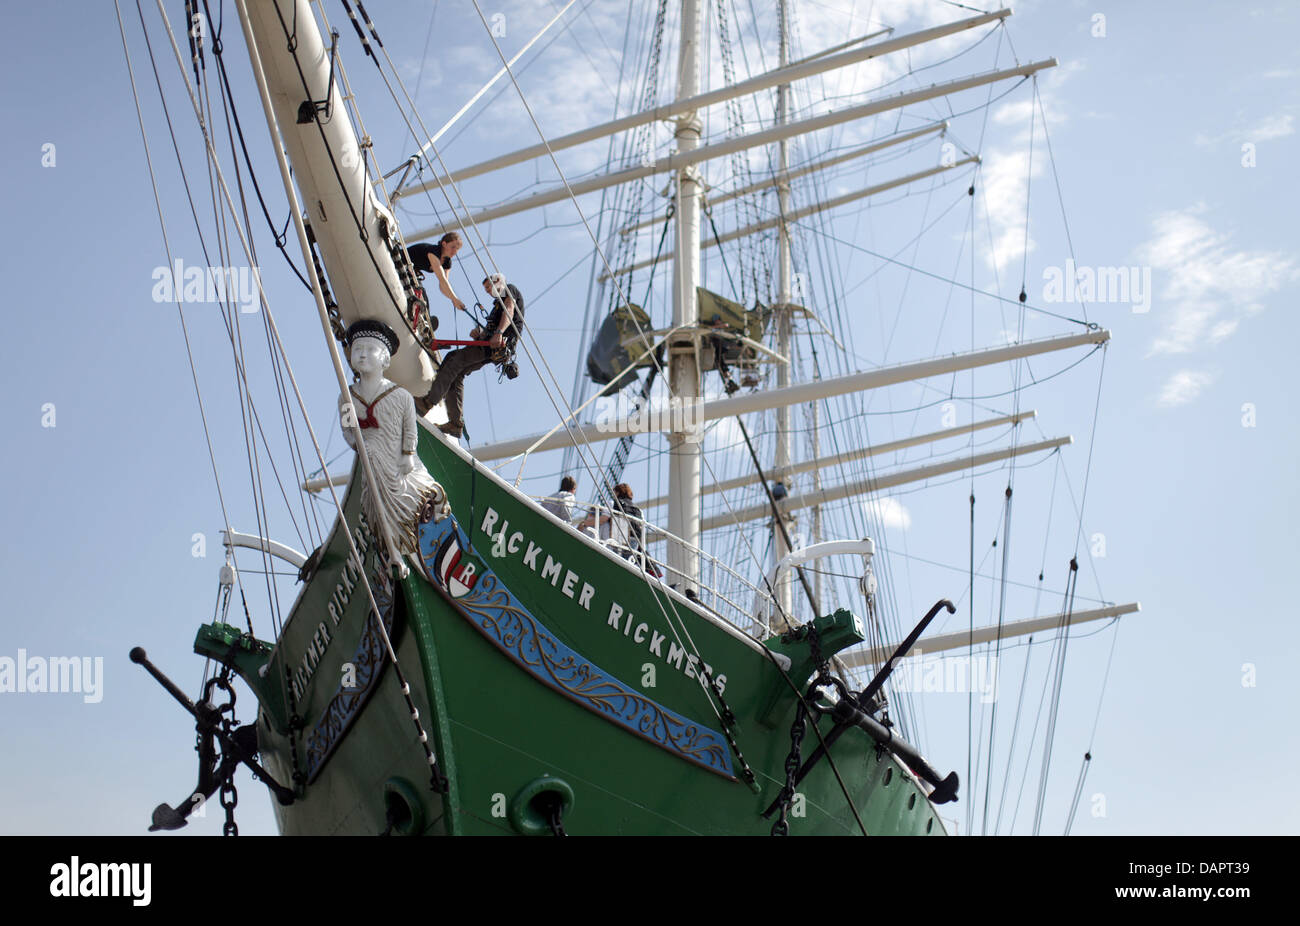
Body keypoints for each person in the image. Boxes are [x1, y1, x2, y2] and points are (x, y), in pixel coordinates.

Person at [338, 319, 449, 558]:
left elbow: (410, 429)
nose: (363, 355)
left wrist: (408, 454)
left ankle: (415, 540)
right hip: (372, 460)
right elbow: (348, 428)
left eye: (370, 349)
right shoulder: (347, 398)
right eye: (357, 350)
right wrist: (358, 443)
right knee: (378, 507)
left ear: (385, 359)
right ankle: (394, 548)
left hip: (397, 462)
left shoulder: (400, 396)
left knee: (412, 495)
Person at [415, 273, 524, 437]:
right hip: (492, 347)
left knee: (454, 360)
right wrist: (480, 333)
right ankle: (455, 423)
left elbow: (509, 310)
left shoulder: (510, 291)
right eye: (486, 288)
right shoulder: (497, 304)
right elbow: (497, 323)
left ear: (498, 281)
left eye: (489, 286)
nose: (487, 290)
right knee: (457, 373)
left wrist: (499, 333)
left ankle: (428, 402)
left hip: (495, 346)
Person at [407, 232, 467, 316]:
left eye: (457, 249)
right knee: (420, 293)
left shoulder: (447, 262)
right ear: (444, 244)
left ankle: (423, 319)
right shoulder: (434, 252)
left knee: (422, 296)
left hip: (410, 272)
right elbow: (442, 279)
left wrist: (453, 300)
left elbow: (442, 287)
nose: (455, 251)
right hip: (402, 263)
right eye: (453, 247)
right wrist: (454, 298)